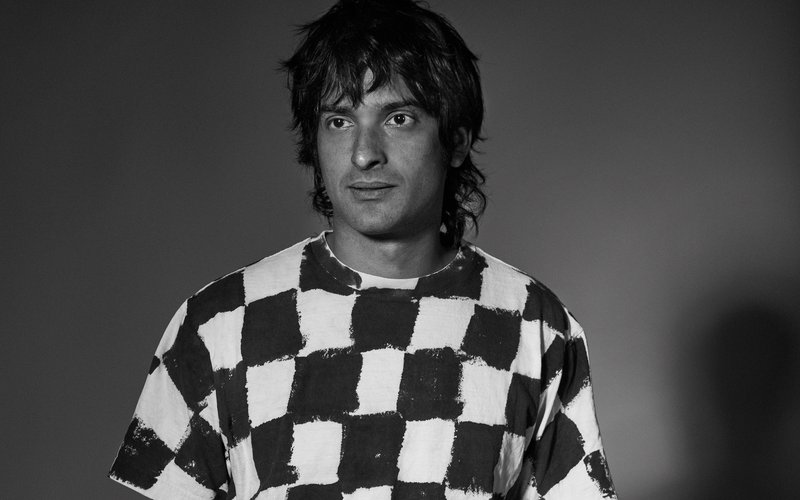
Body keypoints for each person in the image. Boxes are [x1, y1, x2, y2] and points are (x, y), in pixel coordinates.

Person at [108, 0, 617, 498]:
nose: (364, 154)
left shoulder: (535, 325)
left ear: (457, 141)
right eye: (339, 121)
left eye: (399, 118)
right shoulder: (217, 323)